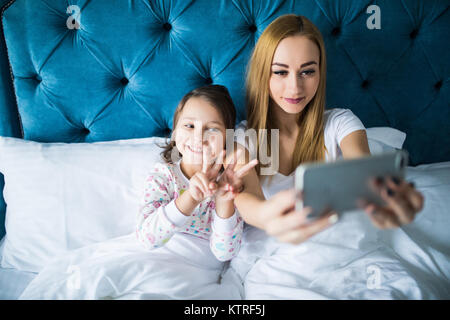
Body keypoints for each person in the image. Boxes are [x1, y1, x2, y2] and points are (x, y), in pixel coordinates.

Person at [227, 14, 424, 244]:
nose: (295, 87)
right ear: (263, 74)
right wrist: (268, 216)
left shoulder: (341, 123)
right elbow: (248, 199)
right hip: (274, 251)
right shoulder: (244, 138)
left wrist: (384, 198)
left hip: (338, 243)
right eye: (281, 72)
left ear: (320, 72)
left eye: (307, 71)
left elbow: (365, 172)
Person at [136, 84, 257, 261]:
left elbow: (225, 254)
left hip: (197, 265)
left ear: (227, 138)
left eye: (212, 129)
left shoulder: (227, 184)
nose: (199, 137)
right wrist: (190, 198)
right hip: (154, 257)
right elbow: (147, 239)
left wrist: (224, 201)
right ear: (175, 133)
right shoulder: (163, 176)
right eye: (190, 126)